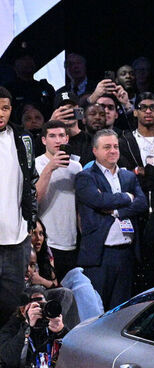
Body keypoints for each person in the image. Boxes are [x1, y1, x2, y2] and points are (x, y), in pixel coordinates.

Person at [75, 129, 147, 309]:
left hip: (127, 253)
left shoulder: (128, 176)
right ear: (95, 150)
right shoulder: (85, 177)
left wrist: (116, 211)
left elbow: (142, 203)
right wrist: (127, 197)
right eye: (107, 147)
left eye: (115, 146)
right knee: (97, 309)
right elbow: (98, 200)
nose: (113, 150)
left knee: (122, 311)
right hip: (100, 256)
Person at [0, 87, 38, 327]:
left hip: (16, 240)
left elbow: (30, 182)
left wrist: (30, 221)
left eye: (5, 108)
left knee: (12, 310)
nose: (0, 114)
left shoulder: (23, 139)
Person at [35, 120, 82, 280]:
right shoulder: (36, 164)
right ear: (43, 140)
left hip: (71, 241)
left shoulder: (76, 167)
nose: (58, 140)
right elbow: (34, 200)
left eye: (61, 135)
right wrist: (50, 168)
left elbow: (79, 207)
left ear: (67, 139)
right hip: (46, 242)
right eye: (52, 136)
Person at [0, 286, 66, 368]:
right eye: (36, 307)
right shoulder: (10, 327)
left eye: (42, 305)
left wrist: (62, 331)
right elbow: (10, 360)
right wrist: (27, 326)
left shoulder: (51, 324)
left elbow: (76, 356)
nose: (40, 311)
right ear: (23, 310)